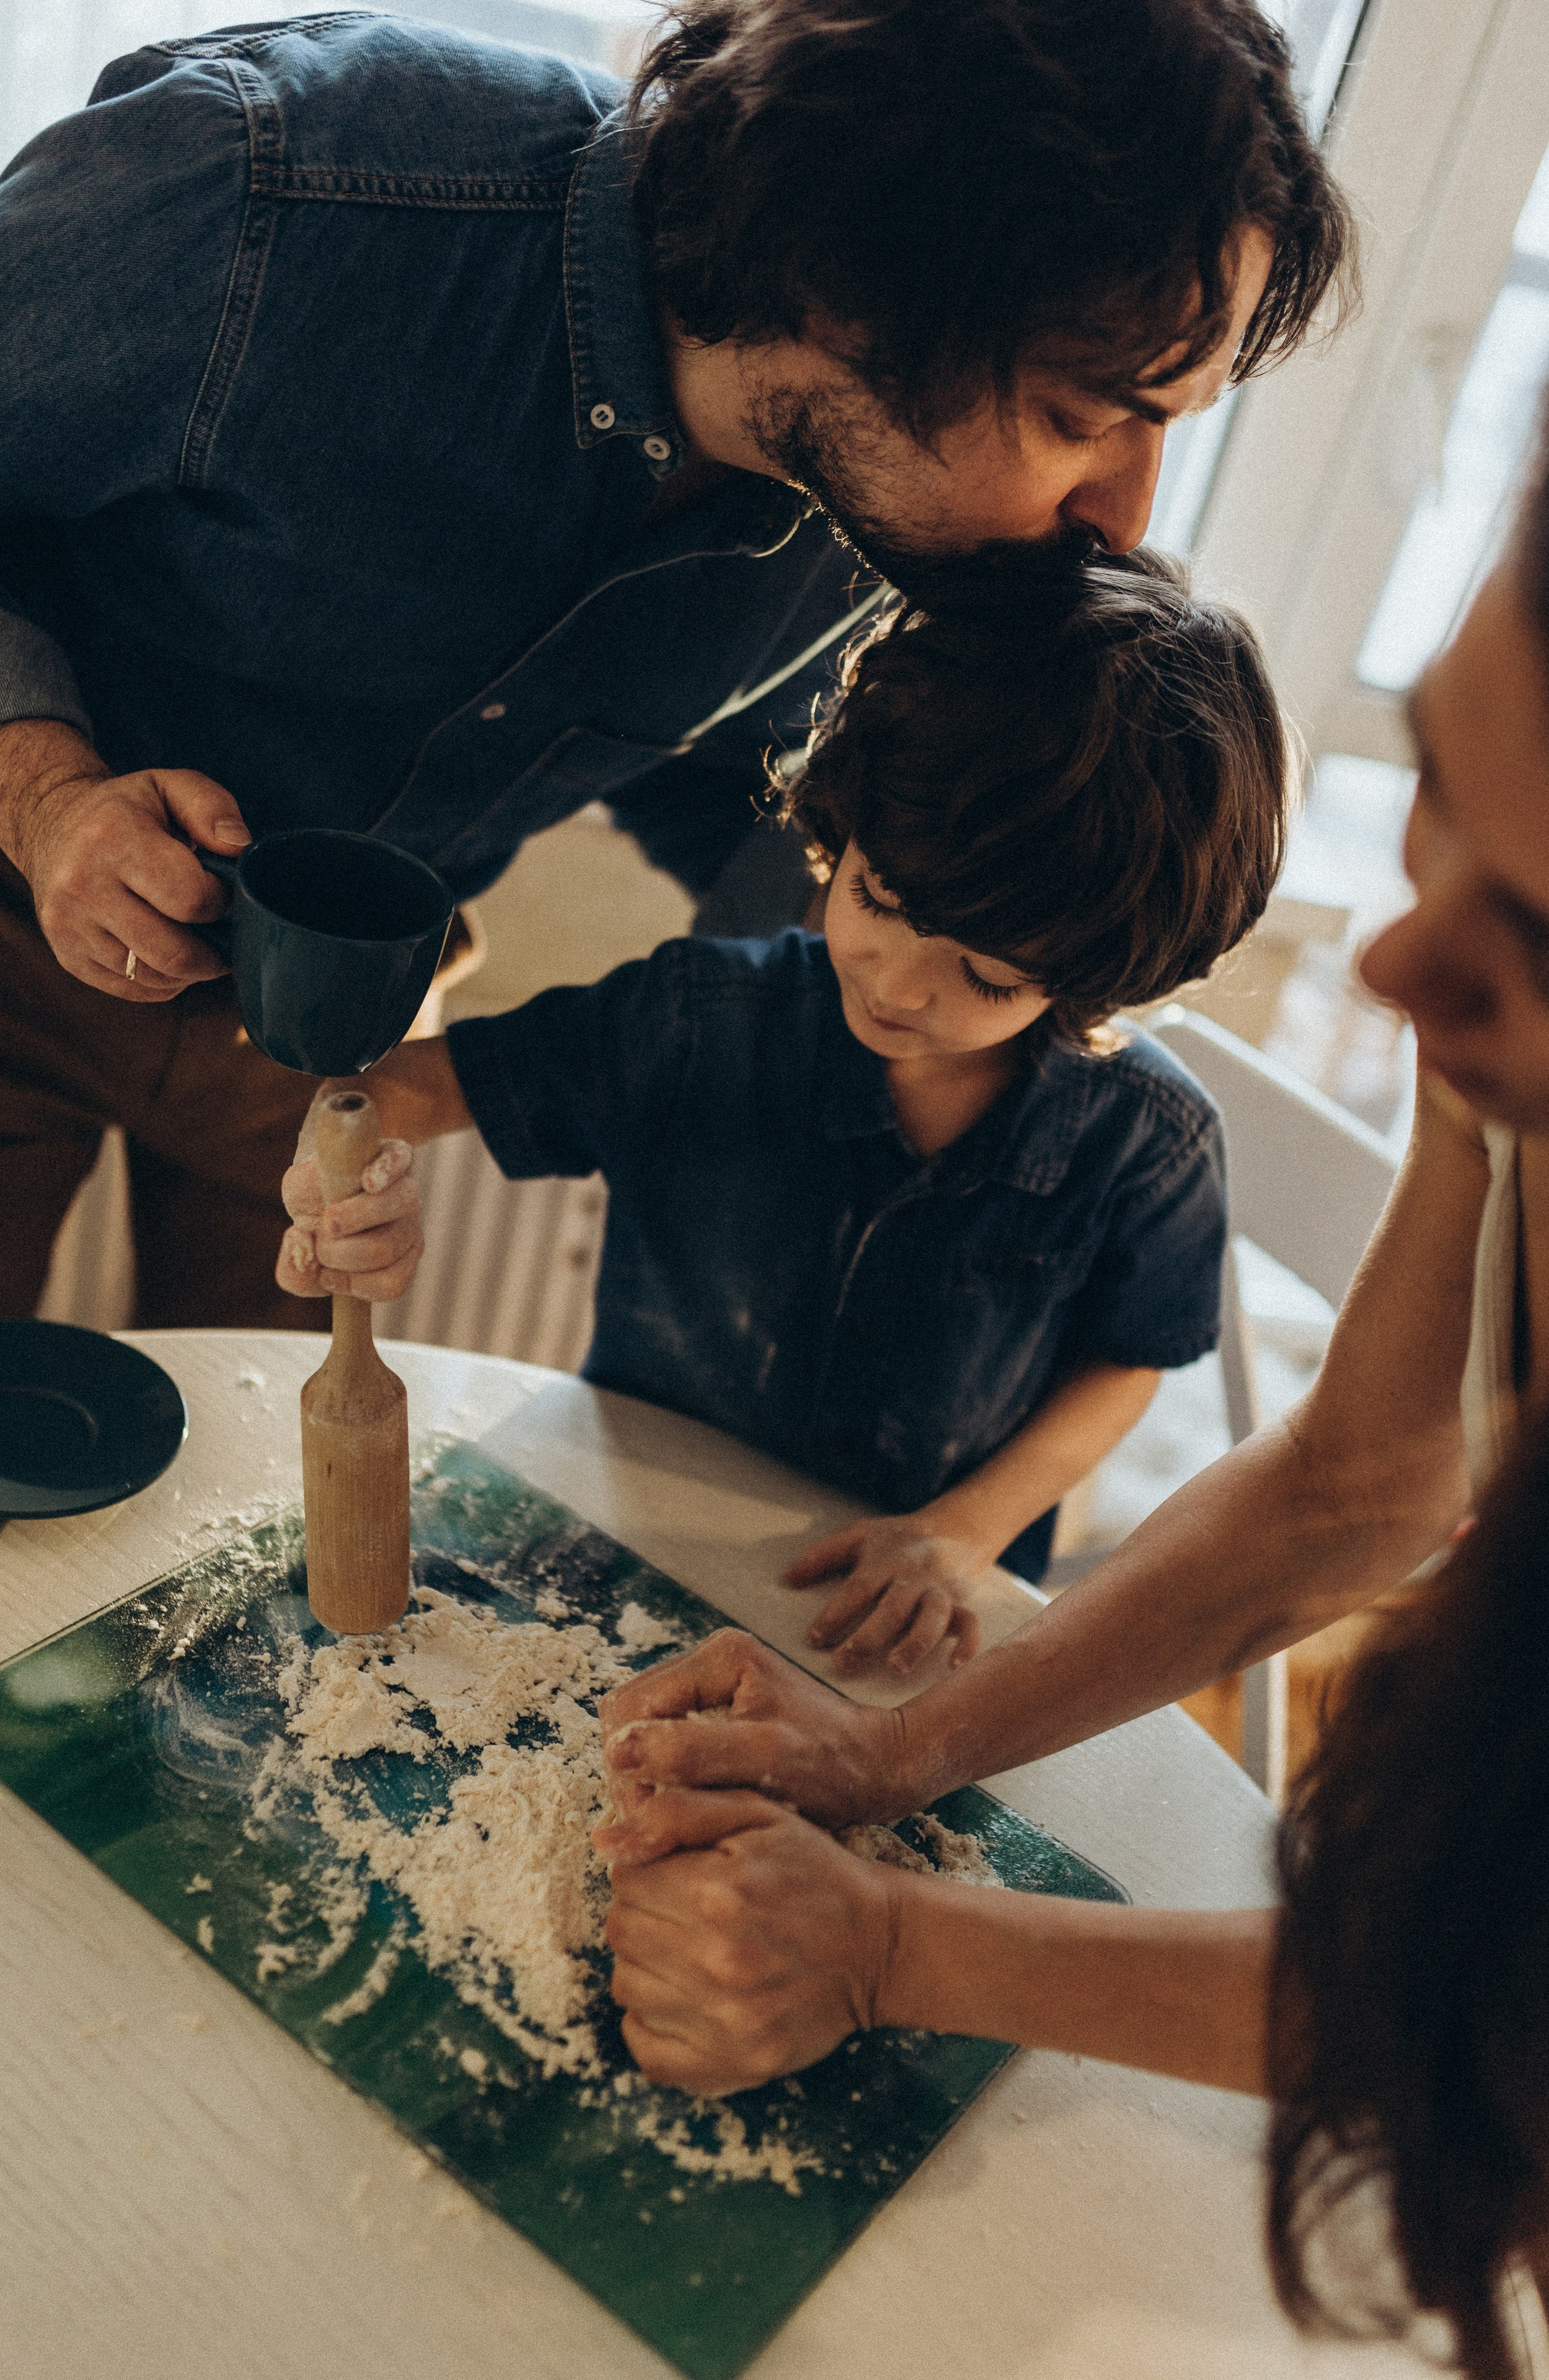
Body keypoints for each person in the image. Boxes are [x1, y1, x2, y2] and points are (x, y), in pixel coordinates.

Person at [583, 416, 1549, 2372]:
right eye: (1438, 789)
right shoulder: (1481, 1049)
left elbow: (1494, 2024)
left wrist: (895, 1946)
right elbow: (1354, 1489)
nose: (1395, 960)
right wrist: (885, 1759)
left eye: (1537, 938)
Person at [0, 0, 1349, 1329]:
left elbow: (733, 783)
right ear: (861, 274)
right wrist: (42, 791)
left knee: (241, 1507)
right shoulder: (274, 191)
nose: (1123, 518)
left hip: (331, 1039)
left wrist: (939, 982)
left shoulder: (891, 510)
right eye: (1074, 414)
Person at [276, 550, 1291, 1667]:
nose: (901, 986)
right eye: (880, 900)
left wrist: (967, 1533)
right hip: (617, 1537)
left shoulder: (1150, 1144)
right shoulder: (702, 1017)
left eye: (989, 976)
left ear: (1096, 976)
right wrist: (354, 1175)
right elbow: (400, 1092)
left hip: (900, 1612)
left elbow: (1127, 1361)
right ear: (841, 827)